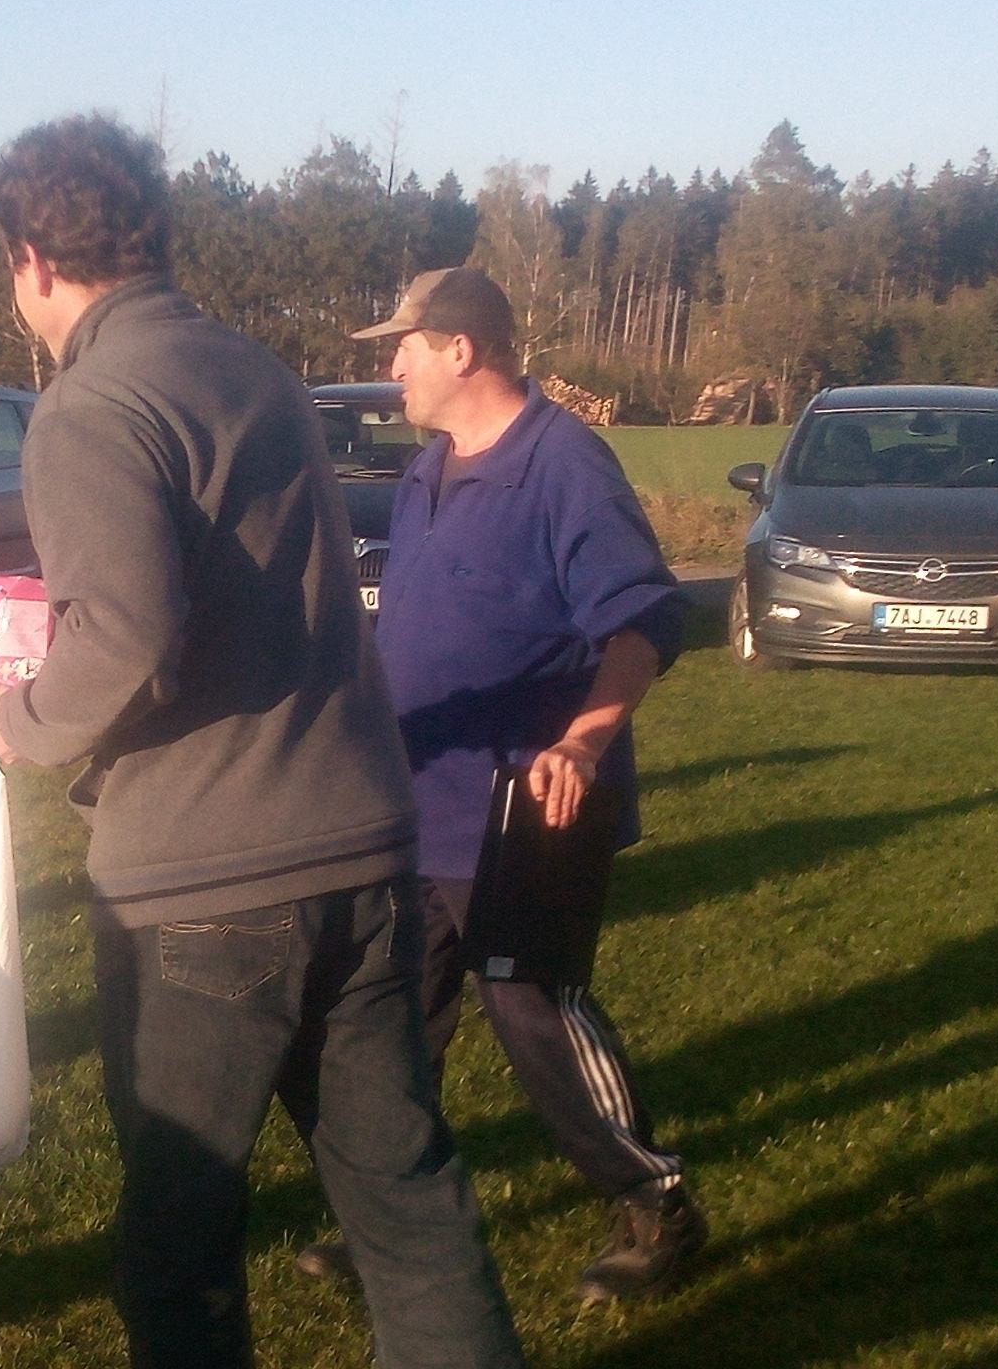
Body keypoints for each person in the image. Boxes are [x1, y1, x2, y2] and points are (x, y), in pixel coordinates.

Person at [0, 116, 578, 1369]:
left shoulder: (91, 405)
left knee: (178, 1242)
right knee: (414, 1221)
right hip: (363, 855)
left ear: (30, 260)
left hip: (201, 888)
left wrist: (10, 723)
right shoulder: (258, 376)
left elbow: (124, 636)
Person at [295, 266, 709, 1305]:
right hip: (416, 801)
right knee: (393, 1021)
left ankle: (656, 1203)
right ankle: (394, 1216)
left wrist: (586, 740)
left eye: (405, 345)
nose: (392, 364)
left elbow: (646, 620)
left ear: (461, 349)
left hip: (526, 808)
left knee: (535, 1012)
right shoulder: (428, 470)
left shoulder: (563, 464)